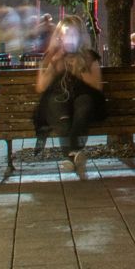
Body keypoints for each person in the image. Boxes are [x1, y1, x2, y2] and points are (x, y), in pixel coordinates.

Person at [32, 17, 108, 178]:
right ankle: (75, 154)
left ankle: (69, 156)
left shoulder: (89, 56)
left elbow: (97, 84)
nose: (69, 39)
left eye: (73, 34)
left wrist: (78, 69)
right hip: (59, 97)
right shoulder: (51, 56)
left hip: (83, 95)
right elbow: (41, 86)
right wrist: (54, 63)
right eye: (65, 35)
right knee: (58, 108)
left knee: (84, 106)